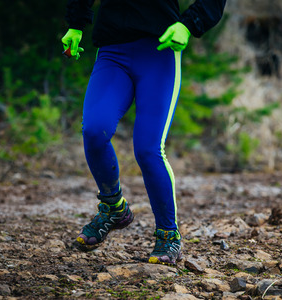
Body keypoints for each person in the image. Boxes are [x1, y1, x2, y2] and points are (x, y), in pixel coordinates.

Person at [61, 0, 226, 265]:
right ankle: (113, 208)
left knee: (148, 149)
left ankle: (168, 235)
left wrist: (189, 23)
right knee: (94, 130)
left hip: (159, 50)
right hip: (112, 51)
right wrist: (76, 25)